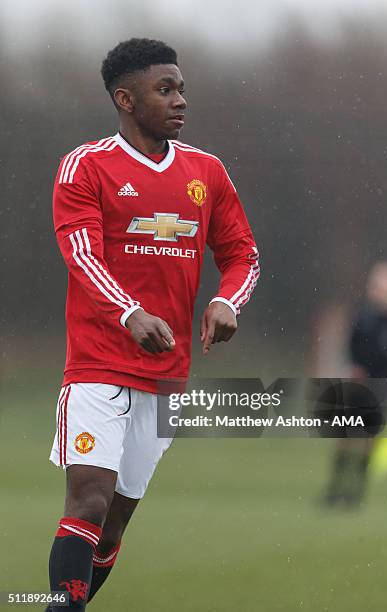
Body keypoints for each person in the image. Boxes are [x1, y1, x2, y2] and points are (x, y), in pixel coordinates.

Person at [46, 38, 259, 610]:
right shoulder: (86, 165)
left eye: (181, 88)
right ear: (125, 98)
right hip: (97, 365)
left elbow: (243, 254)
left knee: (112, 527)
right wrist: (129, 312)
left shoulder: (206, 172)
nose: (180, 100)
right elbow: (82, 253)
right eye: (165, 89)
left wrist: (227, 302)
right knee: (88, 500)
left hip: (167, 377)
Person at [321, 261, 387, 507]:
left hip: (385, 388)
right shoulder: (364, 318)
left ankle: (356, 491)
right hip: (361, 384)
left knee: (370, 440)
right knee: (346, 434)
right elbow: (353, 348)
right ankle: (335, 488)